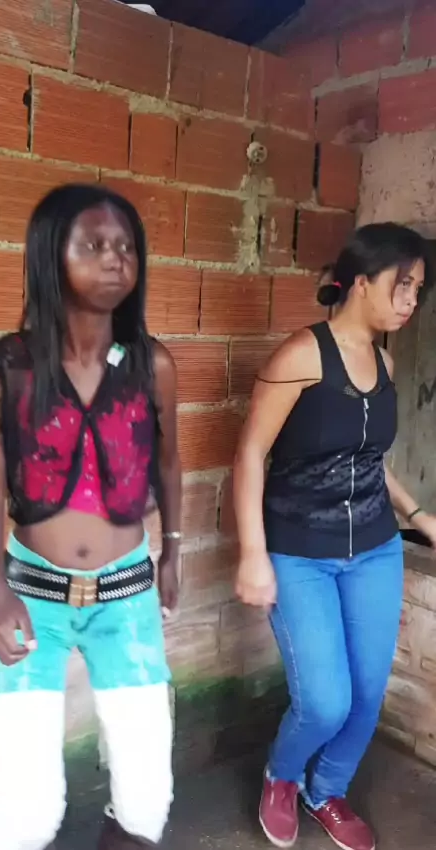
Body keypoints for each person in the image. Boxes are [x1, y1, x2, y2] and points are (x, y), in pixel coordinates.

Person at [0, 184, 181, 850]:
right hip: (31, 597)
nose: (115, 258)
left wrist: (174, 550)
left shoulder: (151, 365)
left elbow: (170, 461)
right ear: (49, 255)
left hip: (127, 596)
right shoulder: (12, 366)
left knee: (147, 797)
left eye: (126, 247)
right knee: (28, 811)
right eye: (93, 245)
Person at [233, 223, 436, 850]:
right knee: (325, 701)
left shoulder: (386, 362)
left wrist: (418, 515)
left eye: (419, 289)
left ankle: (327, 790)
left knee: (366, 694)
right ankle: (282, 775)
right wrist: (253, 554)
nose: (411, 300)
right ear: (362, 282)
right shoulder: (301, 355)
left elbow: (368, 460)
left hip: (374, 549)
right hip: (300, 553)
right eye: (403, 285)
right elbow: (250, 454)